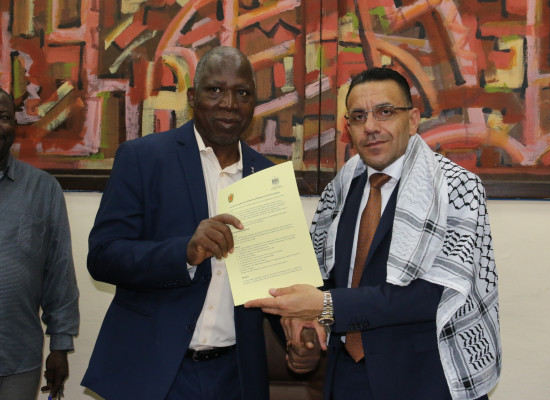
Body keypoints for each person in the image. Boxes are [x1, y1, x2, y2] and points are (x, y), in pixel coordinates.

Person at [245, 67, 501, 400]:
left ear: (412, 120)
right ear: (348, 127)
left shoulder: (457, 187)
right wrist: (305, 328)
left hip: (426, 381)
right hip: (346, 377)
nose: (371, 127)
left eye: (385, 112)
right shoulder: (342, 186)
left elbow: (433, 297)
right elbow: (321, 274)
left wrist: (325, 306)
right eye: (358, 116)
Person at [81, 46, 316, 400]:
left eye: (242, 93)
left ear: (253, 103)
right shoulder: (143, 159)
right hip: (155, 373)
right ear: (192, 97)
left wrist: (299, 334)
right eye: (215, 90)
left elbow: (276, 284)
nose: (229, 103)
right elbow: (102, 257)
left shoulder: (268, 178)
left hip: (235, 376)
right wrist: (184, 253)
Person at [0, 88, 80, 399]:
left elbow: (59, 272)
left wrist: (60, 345)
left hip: (18, 359)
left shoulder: (43, 189)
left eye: (4, 117)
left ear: (15, 125)